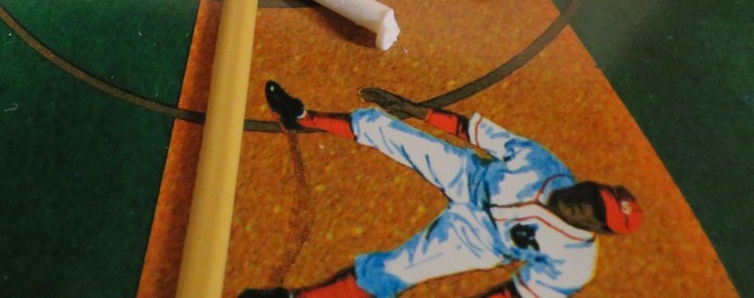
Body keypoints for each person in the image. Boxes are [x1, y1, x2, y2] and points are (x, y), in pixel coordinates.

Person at [240, 80, 642, 298]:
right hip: (472, 176)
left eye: (596, 213)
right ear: (592, 185)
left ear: (599, 229)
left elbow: (516, 295)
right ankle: (303, 118)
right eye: (594, 196)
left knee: (394, 270)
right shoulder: (545, 163)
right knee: (381, 126)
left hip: (480, 239)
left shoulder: (575, 261)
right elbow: (471, 130)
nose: (586, 205)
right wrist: (415, 110)